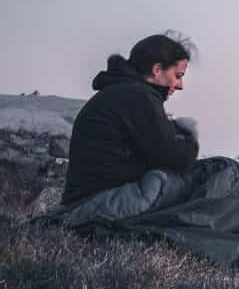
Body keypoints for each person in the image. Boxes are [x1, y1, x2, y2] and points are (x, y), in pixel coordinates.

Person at [63, 33, 200, 205]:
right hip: (101, 202)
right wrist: (189, 135)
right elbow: (178, 158)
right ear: (157, 70)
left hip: (91, 198)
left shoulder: (123, 93)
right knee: (222, 174)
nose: (180, 85)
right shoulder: (138, 97)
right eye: (178, 76)